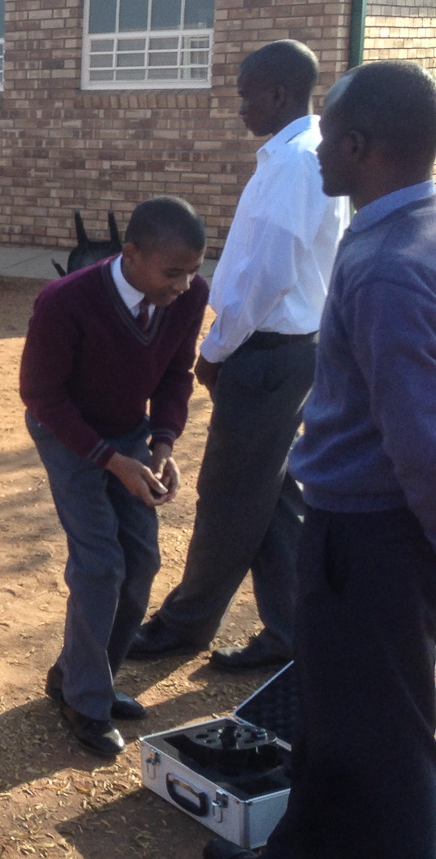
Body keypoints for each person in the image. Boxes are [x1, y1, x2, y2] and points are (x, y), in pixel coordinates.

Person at [205, 62, 436, 859]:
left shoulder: (386, 267)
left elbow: (420, 440)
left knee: (384, 738)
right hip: (362, 525)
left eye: (329, 138)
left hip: (369, 535)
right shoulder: (412, 227)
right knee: (335, 711)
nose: (319, 152)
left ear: (360, 146)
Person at [132, 42, 349, 671]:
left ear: (278, 94)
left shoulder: (296, 163)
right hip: (286, 351)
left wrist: (216, 348)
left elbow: (268, 275)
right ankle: (291, 629)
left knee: (230, 495)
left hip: (266, 353)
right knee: (272, 496)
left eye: (246, 95)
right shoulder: (297, 155)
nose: (240, 107)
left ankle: (185, 624)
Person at [20, 197, 209, 758]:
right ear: (131, 255)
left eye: (193, 270)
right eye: (172, 272)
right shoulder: (65, 301)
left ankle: (83, 675)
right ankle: (84, 701)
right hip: (66, 430)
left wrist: (162, 444)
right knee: (100, 564)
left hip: (129, 433)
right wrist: (112, 461)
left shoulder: (189, 296)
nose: (183, 285)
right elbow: (42, 395)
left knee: (142, 561)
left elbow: (176, 373)